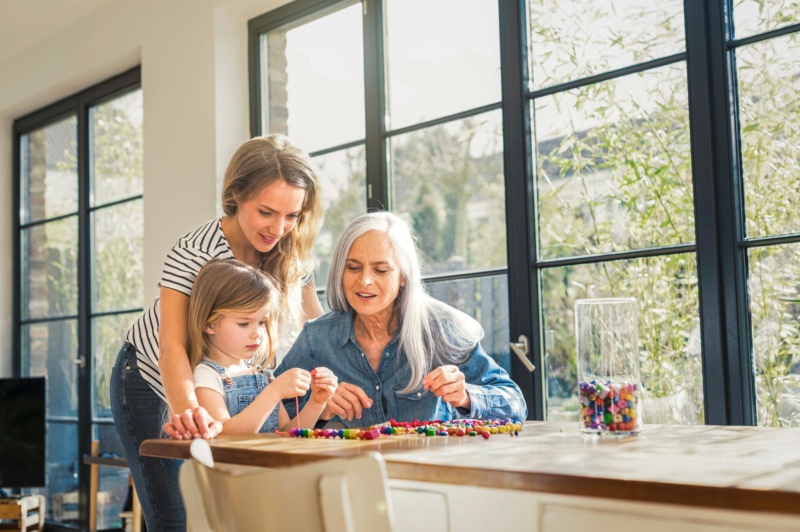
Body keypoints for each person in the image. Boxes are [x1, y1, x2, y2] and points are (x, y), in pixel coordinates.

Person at [110, 134, 324, 531]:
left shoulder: (291, 251)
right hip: (151, 378)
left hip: (227, 384)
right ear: (235, 195)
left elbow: (316, 327)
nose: (279, 228)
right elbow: (172, 344)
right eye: (266, 212)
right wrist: (187, 411)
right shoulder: (193, 252)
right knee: (175, 515)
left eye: (292, 216)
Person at [275, 212, 527, 428]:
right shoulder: (316, 337)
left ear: (403, 275)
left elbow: (515, 403)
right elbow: (269, 407)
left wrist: (465, 396)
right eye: (353, 267)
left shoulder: (440, 328)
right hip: (354, 477)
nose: (364, 281)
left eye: (381, 270)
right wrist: (318, 407)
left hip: (430, 474)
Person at [188, 259, 337, 434]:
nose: (257, 333)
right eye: (244, 324)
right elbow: (224, 435)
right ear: (209, 324)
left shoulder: (263, 376)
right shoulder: (206, 376)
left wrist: (316, 403)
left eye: (262, 322)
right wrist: (273, 392)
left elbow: (286, 434)